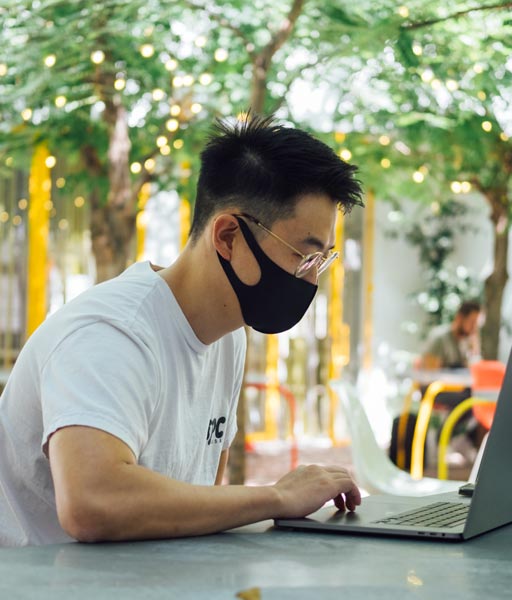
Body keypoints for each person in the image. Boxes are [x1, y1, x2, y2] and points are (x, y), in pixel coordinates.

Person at [0, 115, 364, 546]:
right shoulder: (112, 333)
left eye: (323, 260)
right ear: (228, 236)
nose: (311, 280)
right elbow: (92, 503)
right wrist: (277, 497)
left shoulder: (229, 338)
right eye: (303, 256)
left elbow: (198, 502)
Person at [420, 300, 482, 370]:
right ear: (460, 317)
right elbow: (430, 373)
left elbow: (471, 370)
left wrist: (474, 351)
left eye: (477, 324)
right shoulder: (440, 338)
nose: (474, 328)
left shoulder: (466, 341)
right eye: (472, 322)